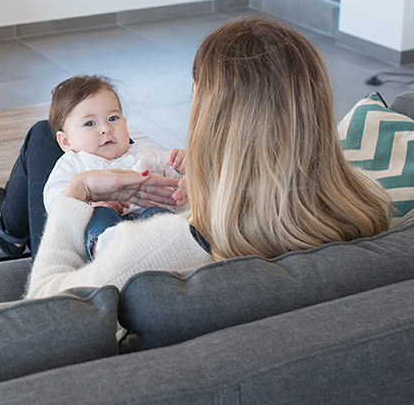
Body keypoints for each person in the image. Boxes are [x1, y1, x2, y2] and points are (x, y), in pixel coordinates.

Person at [25, 16, 393, 298]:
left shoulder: (152, 249)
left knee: (42, 137)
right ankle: (6, 221)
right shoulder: (369, 202)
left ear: (213, 123)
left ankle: (7, 230)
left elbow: (46, 308)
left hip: (100, 232)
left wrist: (79, 189)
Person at [43, 75, 186, 260]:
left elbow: (172, 171)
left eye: (113, 118)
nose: (106, 128)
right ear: (66, 141)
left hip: (148, 224)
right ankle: (108, 254)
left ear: (125, 122)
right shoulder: (73, 163)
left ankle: (169, 247)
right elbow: (56, 199)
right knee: (100, 216)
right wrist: (88, 204)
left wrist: (182, 163)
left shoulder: (142, 152)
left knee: (158, 215)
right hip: (106, 226)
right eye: (89, 123)